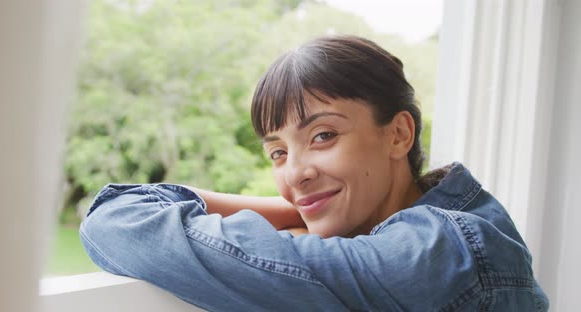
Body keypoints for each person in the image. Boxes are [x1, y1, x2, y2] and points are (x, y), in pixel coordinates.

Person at [80, 35, 549, 311]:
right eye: (278, 153)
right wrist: (301, 211)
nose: (296, 175)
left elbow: (120, 224)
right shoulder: (437, 223)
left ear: (398, 135)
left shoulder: (441, 253)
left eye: (323, 135)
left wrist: (292, 213)